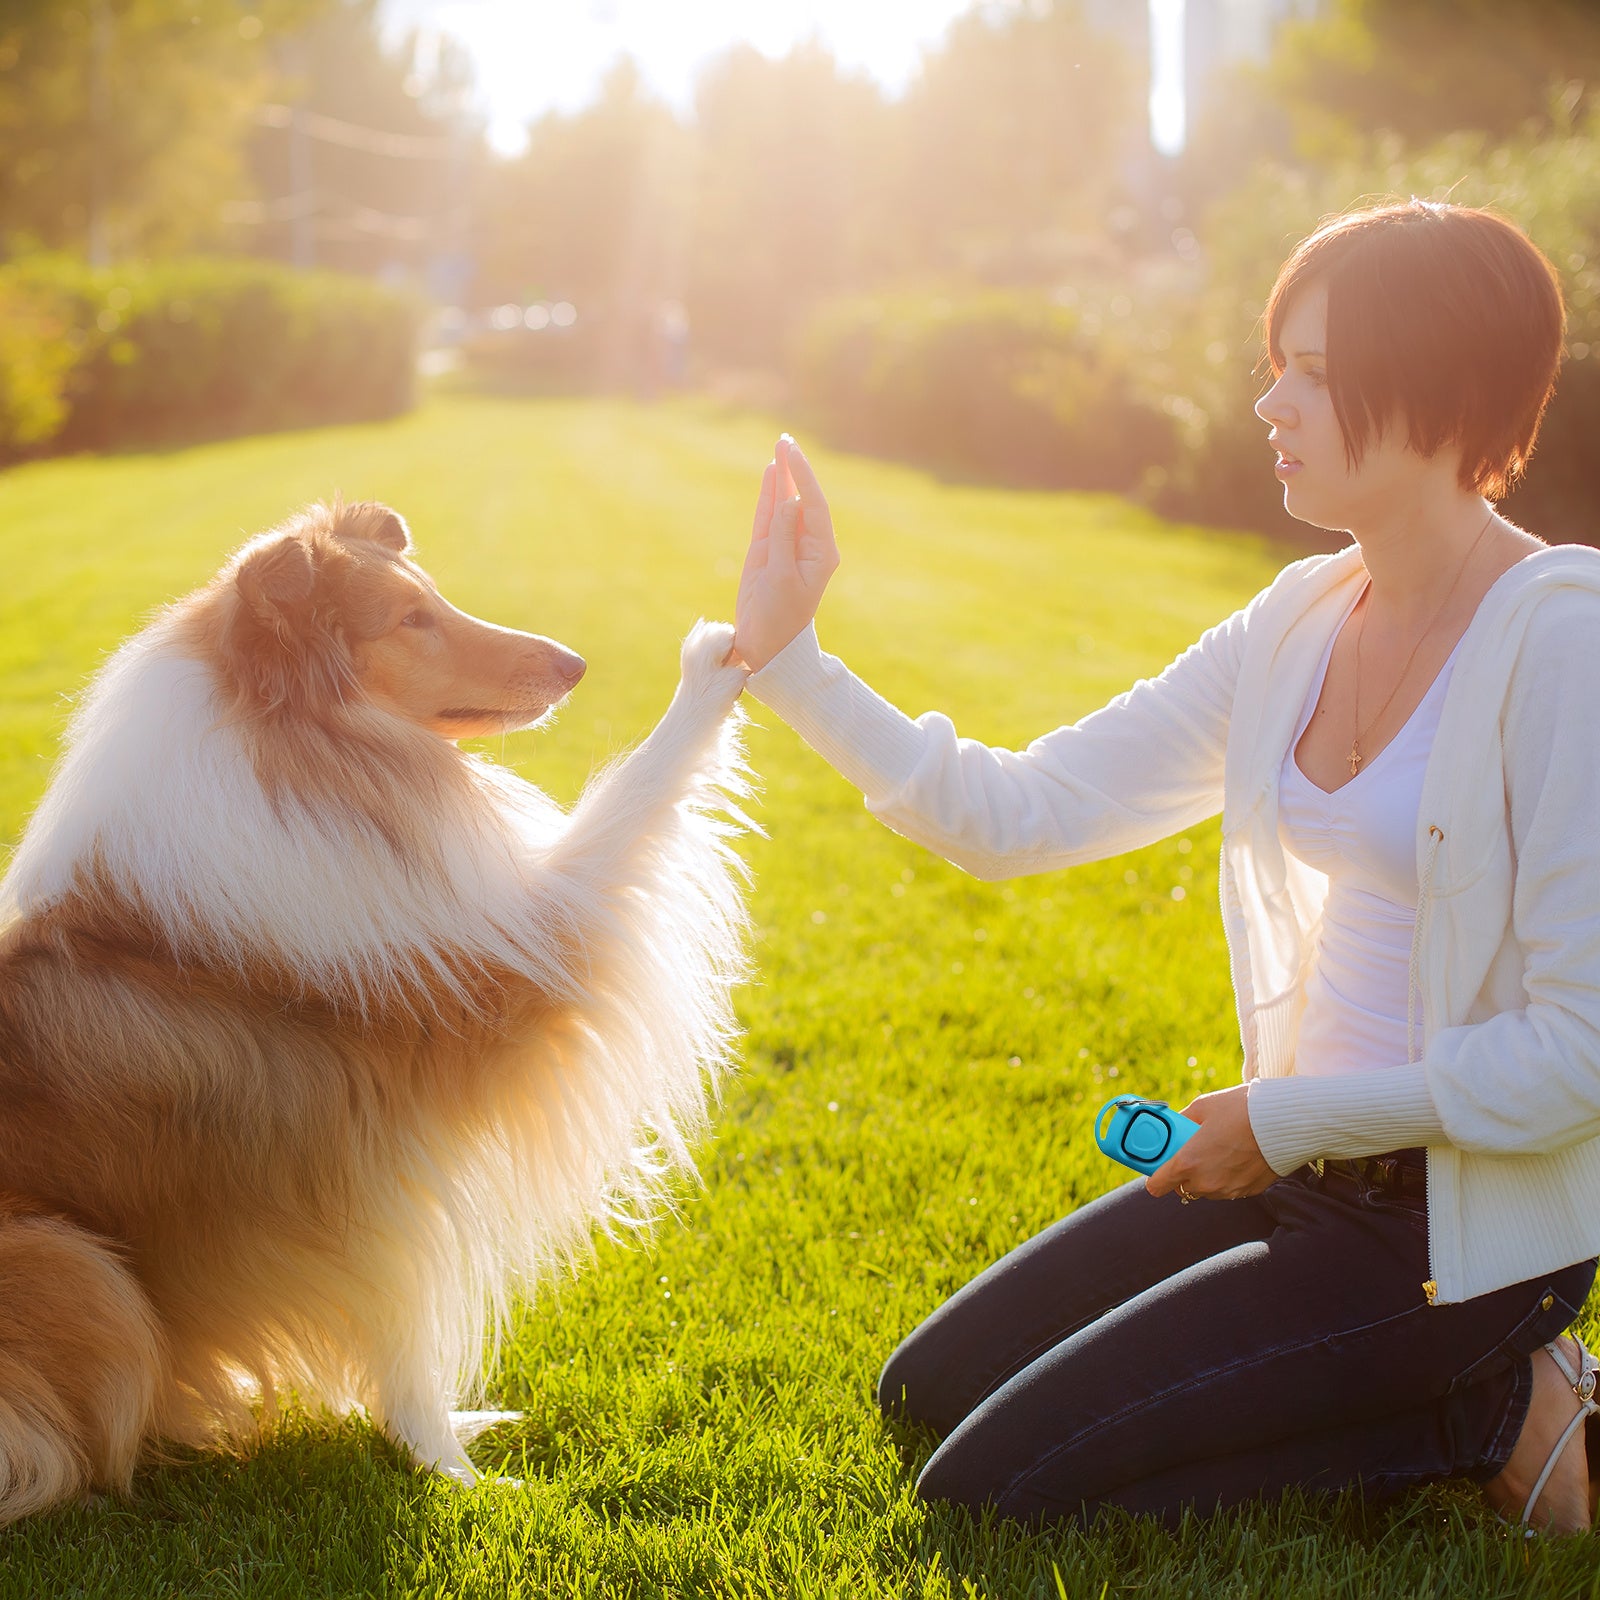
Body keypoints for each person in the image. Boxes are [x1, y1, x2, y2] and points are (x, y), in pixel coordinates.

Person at [722, 200, 1600, 1531]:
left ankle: (1487, 1401)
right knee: (921, 1393)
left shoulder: (1561, 646)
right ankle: (1438, 1392)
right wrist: (793, 661)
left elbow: (1578, 1057)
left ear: (1439, 394)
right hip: (1290, 1168)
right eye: (1275, 362)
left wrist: (1279, 1119)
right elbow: (1018, 812)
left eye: (1310, 370)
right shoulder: (1294, 623)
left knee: (994, 1494)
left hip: (1461, 1236)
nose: (1267, 403)